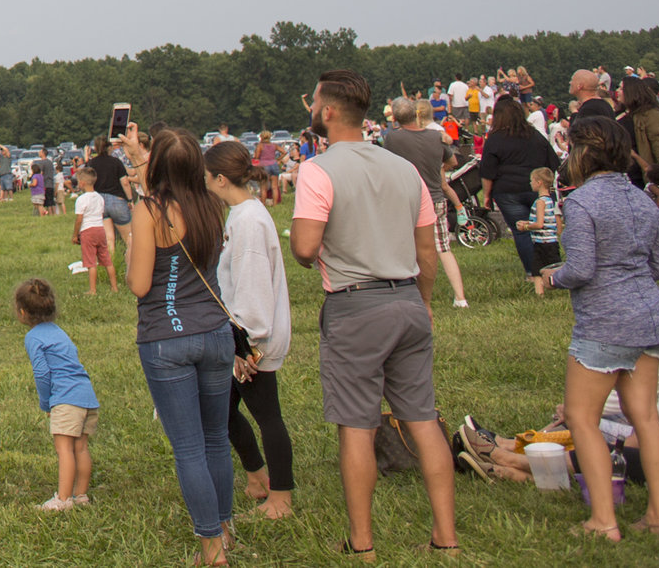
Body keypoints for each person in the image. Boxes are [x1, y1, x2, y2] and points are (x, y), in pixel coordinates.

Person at [291, 69, 458, 557]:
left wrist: (318, 251)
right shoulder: (403, 169)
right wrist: (423, 300)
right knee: (422, 420)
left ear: (328, 111)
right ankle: (445, 538)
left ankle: (362, 543)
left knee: (357, 426)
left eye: (313, 103)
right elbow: (427, 251)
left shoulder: (319, 170)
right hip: (407, 298)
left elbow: (304, 246)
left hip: (354, 303)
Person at [536, 115, 659, 540]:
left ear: (581, 153)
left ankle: (603, 521)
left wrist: (550, 276)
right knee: (647, 419)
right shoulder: (642, 199)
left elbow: (580, 268)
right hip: (650, 319)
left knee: (581, 418)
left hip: (605, 323)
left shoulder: (580, 202)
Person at [463, 301, 659, 501]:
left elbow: (655, 436)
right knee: (587, 433)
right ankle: (519, 470)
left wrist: (612, 447)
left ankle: (511, 460)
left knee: (601, 453)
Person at [124, 126, 235, 564]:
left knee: (189, 447)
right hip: (215, 333)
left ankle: (210, 548)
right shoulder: (212, 205)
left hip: (167, 338)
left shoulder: (149, 211)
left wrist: (133, 246)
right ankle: (224, 529)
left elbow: (139, 284)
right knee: (216, 440)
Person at [206, 139, 295, 520]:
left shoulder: (249, 222)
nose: (204, 183)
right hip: (238, 339)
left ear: (221, 179)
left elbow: (254, 289)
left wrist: (246, 346)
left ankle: (281, 498)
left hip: (253, 343)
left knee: (268, 416)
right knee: (221, 412)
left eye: (207, 178)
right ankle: (257, 477)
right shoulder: (241, 214)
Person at [16, 276, 98, 510]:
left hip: (65, 399)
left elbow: (42, 374)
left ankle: (63, 499)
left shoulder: (33, 337)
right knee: (80, 447)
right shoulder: (59, 332)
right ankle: (81, 495)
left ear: (22, 312)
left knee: (64, 450)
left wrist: (47, 403)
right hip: (87, 396)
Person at [385, 98, 471, 309]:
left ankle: (409, 293)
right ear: (417, 114)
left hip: (408, 201)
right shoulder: (436, 137)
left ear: (394, 118)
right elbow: (452, 162)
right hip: (436, 199)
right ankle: (460, 297)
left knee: (408, 249)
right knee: (443, 249)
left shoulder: (392, 139)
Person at [472, 95, 562, 278]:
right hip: (538, 190)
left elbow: (487, 172)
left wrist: (487, 196)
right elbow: (553, 162)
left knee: (521, 232)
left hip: (507, 191)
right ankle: (553, 271)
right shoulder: (535, 136)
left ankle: (533, 274)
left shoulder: (495, 139)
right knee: (546, 230)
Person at [72, 170, 116, 294]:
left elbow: (79, 219)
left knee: (91, 262)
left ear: (82, 183)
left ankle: (92, 289)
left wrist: (75, 235)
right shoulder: (100, 197)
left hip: (88, 231)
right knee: (107, 259)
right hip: (100, 230)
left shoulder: (81, 199)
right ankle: (114, 287)